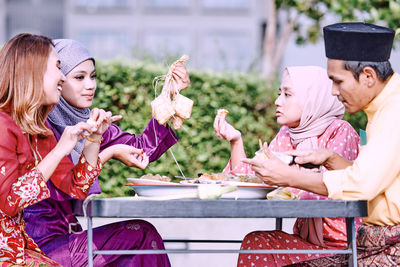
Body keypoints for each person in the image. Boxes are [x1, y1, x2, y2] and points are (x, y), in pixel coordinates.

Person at [243, 22, 400, 266]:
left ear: (368, 76)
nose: (334, 92)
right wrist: (330, 159)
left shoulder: (393, 111)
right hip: (373, 242)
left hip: (389, 248)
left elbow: (362, 185)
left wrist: (289, 177)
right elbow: (372, 176)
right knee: (260, 244)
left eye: (338, 82)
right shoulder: (380, 108)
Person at [24, 39, 190, 267]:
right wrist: (109, 151)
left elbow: (144, 149)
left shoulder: (92, 123)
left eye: (93, 76)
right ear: (56, 78)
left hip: (69, 237)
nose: (90, 85)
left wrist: (170, 97)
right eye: (79, 77)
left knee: (134, 254)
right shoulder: (34, 125)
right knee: (142, 235)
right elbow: (68, 186)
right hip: (37, 245)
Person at [214, 65, 361, 266]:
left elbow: (329, 189)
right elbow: (249, 177)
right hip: (307, 241)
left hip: (343, 247)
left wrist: (286, 178)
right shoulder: (288, 134)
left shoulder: (339, 131)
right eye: (279, 93)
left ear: (312, 98)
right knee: (257, 242)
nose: (277, 101)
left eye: (287, 94)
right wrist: (235, 140)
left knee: (258, 245)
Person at [0, 33, 113, 265]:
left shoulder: (38, 130)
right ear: (32, 71)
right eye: (57, 68)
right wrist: (60, 150)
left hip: (21, 250)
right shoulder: (3, 124)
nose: (62, 77)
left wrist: (93, 139)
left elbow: (76, 187)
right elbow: (10, 203)